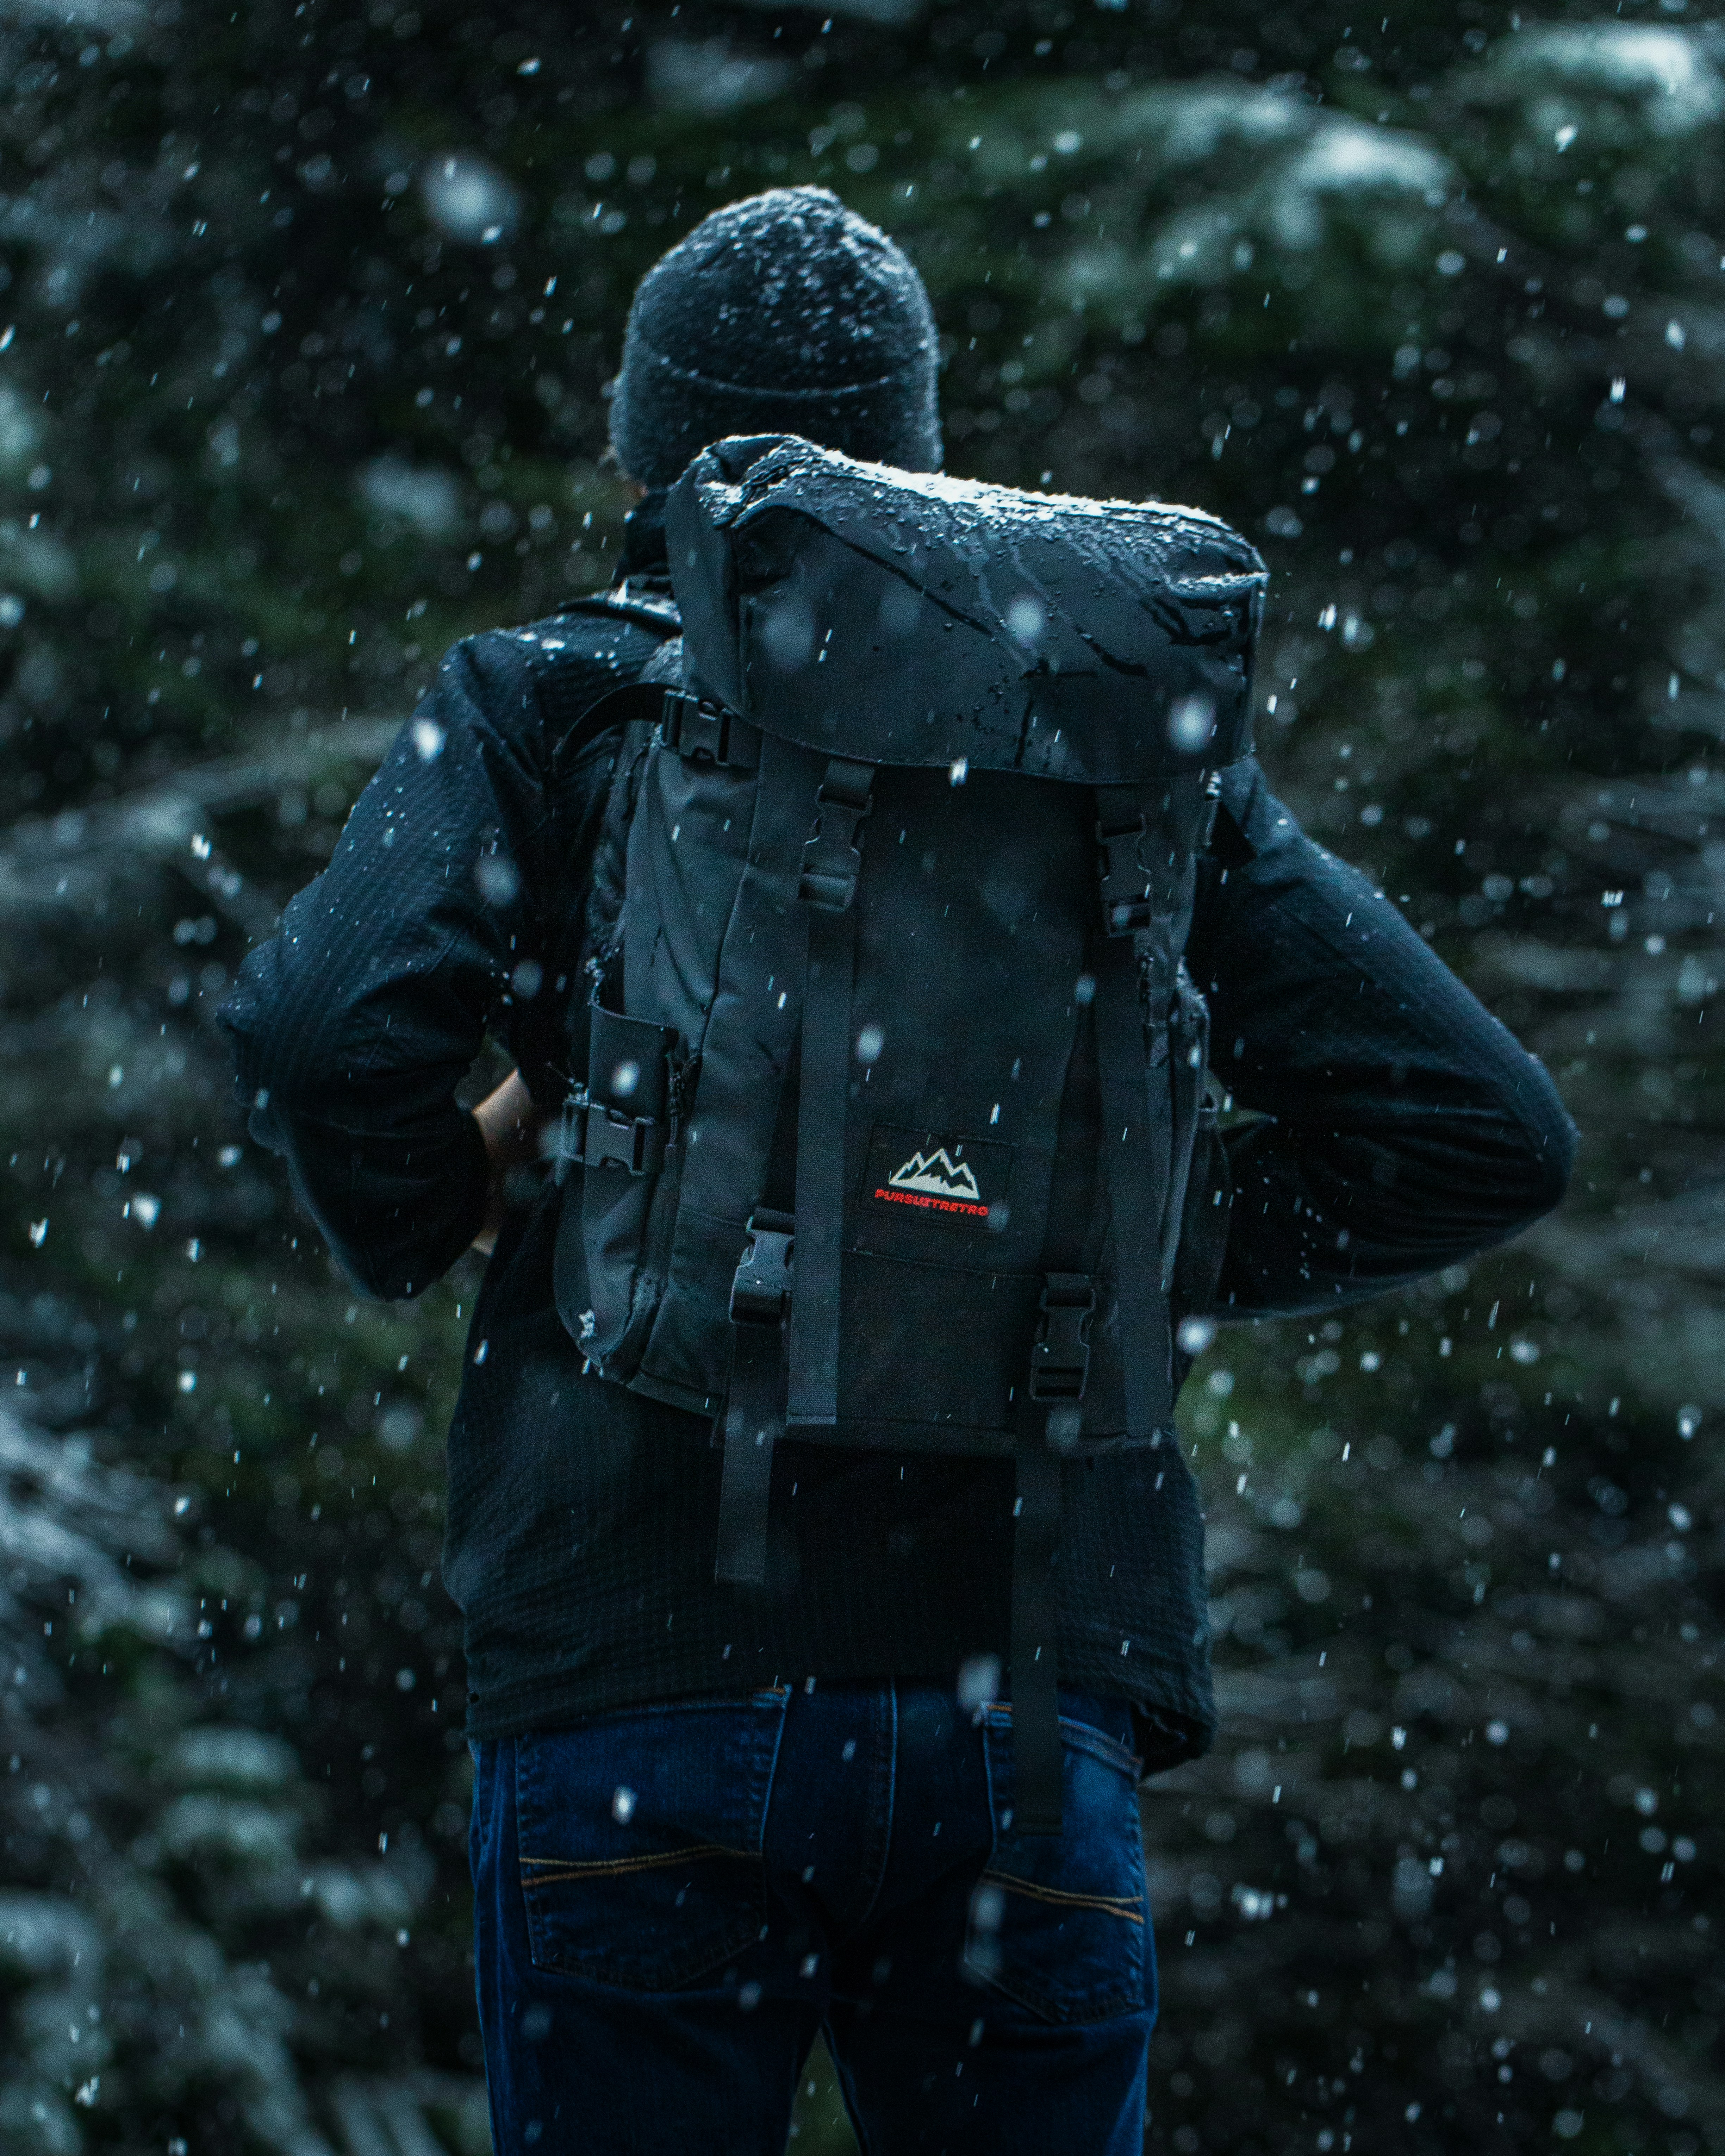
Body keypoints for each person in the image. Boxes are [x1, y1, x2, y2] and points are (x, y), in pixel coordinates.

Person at [220, 188, 1576, 2156]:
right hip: (1020, 1708)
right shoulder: (1114, 746)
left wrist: (439, 1203)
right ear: (920, 444)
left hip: (634, 1677)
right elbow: (1484, 1136)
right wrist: (1093, 1241)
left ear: (639, 446)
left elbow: (317, 1024)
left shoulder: (551, 700)